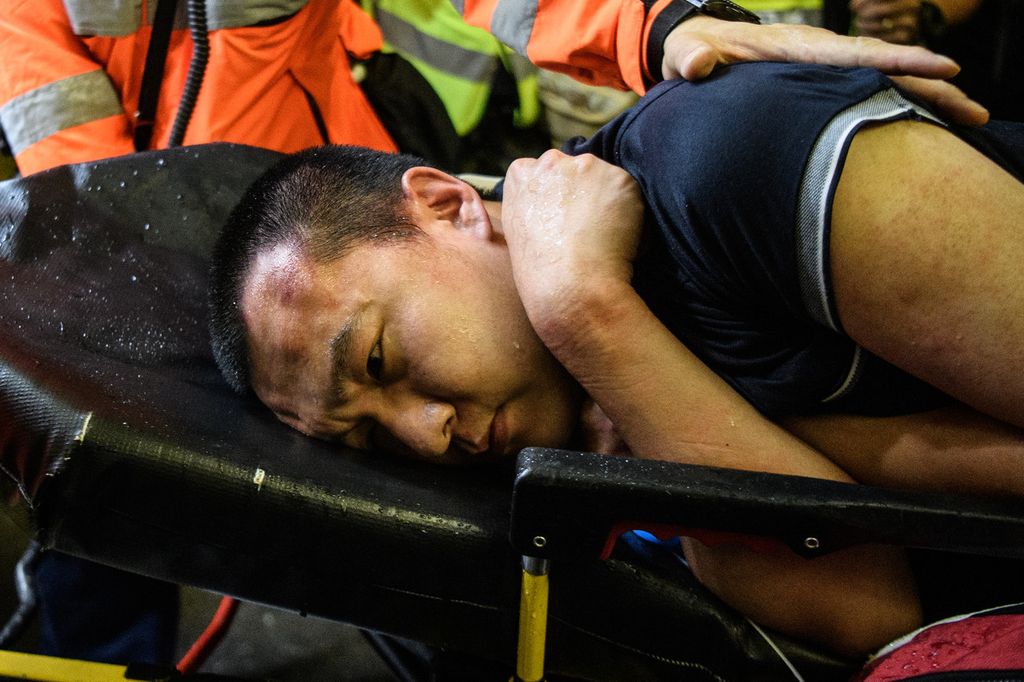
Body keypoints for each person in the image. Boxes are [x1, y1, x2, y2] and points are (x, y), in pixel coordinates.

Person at [208, 61, 1024, 658]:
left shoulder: (730, 161)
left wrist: (580, 309)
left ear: (447, 204)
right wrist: (608, 348)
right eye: (365, 438)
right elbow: (872, 617)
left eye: (380, 361)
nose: (426, 438)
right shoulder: (594, 416)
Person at [0, 0, 992, 177]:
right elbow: (55, 127)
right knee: (102, 503)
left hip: (331, 203)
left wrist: (654, 25)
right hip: (137, 261)